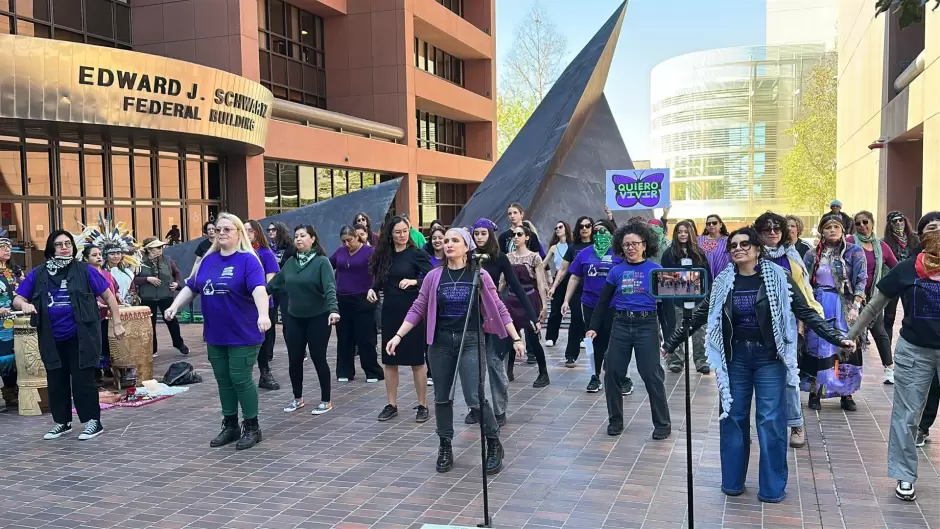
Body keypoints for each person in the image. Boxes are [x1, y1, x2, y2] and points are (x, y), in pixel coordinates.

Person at [662, 227, 853, 503]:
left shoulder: (779, 278)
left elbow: (806, 313)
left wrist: (837, 338)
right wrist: (670, 344)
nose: (739, 249)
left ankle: (772, 488)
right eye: (734, 245)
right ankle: (732, 483)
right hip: (735, 358)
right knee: (732, 418)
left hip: (769, 359)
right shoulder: (723, 282)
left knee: (770, 421)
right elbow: (699, 316)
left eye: (745, 244)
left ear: (757, 249)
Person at [387, 228, 526, 474]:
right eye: (446, 240)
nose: (448, 244)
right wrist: (398, 335)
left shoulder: (479, 275)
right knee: (442, 396)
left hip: (471, 340)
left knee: (474, 396)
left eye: (455, 240)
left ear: (467, 246)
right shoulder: (433, 276)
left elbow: (499, 308)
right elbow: (419, 307)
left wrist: (515, 337)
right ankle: (445, 444)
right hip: (439, 342)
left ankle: (493, 442)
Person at [845, 211, 940, 501]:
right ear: (921, 236)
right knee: (906, 416)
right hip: (915, 352)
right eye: (931, 229)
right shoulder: (907, 268)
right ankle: (904, 476)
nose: (936, 234)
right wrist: (849, 336)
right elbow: (874, 307)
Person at [164, 213, 271, 450]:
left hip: (243, 333)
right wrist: (174, 306)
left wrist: (263, 314)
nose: (221, 233)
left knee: (240, 379)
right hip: (216, 334)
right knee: (224, 380)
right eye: (218, 229)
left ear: (238, 233)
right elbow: (192, 287)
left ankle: (252, 427)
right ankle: (230, 424)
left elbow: (259, 290)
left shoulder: (248, 261)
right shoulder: (208, 261)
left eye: (227, 230)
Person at [14, 229, 125, 441]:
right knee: (56, 381)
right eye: (59, 244)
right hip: (51, 337)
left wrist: (117, 323)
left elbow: (109, 297)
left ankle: (93, 421)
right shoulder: (39, 273)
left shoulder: (85, 270)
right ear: (50, 248)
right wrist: (25, 304)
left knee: (83, 381)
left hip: (81, 336)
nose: (65, 247)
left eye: (68, 243)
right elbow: (18, 298)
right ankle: (62, 422)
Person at [587, 222, 670, 438]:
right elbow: (603, 302)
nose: (630, 248)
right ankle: (615, 420)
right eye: (626, 245)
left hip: (647, 325)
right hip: (621, 325)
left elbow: (666, 308)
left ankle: (662, 424)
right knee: (612, 371)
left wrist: (669, 339)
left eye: (635, 244)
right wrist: (593, 327)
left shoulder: (655, 270)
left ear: (645, 245)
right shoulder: (616, 271)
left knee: (651, 374)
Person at [754, 211, 820, 448]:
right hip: (754, 327)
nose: (772, 233)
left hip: (786, 325)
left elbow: (804, 293)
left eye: (776, 229)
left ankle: (796, 423)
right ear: (759, 233)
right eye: (766, 229)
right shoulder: (752, 255)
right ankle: (760, 426)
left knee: (790, 376)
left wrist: (811, 320)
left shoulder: (792, 257)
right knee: (757, 378)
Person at [469, 218, 538, 423]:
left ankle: (500, 410)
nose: (480, 237)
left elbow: (515, 286)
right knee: (474, 366)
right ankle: (476, 408)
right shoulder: (467, 257)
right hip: (472, 318)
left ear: (490, 234)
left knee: (494, 364)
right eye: (477, 233)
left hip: (494, 316)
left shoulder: (499, 258)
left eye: (484, 233)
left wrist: (532, 315)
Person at [368, 216, 433, 422]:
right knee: (390, 360)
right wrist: (372, 289)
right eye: (398, 232)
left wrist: (415, 281)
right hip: (390, 310)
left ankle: (422, 405)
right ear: (390, 234)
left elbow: (433, 276)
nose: (402, 235)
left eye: (405, 231)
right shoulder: (384, 255)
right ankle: (391, 404)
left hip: (412, 310)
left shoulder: (416, 254)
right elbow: (379, 278)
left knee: (416, 360)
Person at [269, 224, 339, 415]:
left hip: (318, 317)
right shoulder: (291, 263)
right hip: (294, 318)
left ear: (312, 239)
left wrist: (334, 310)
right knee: (294, 359)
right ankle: (297, 398)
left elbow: (330, 288)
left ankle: (326, 400)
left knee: (318, 357)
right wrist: (251, 297)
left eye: (303, 235)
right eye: (296, 236)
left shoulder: (322, 262)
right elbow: (273, 285)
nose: (298, 239)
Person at [802, 213, 867, 411]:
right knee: (816, 347)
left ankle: (846, 393)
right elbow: (804, 283)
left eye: (836, 227)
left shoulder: (854, 252)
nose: (832, 230)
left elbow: (862, 280)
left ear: (843, 230)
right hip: (819, 304)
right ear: (821, 230)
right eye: (828, 227)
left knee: (845, 346)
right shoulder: (812, 254)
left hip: (844, 305)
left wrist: (856, 305)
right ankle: (816, 391)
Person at [562, 219, 630, 393]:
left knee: (614, 341)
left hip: (614, 304)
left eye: (603, 231)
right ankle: (595, 376)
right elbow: (575, 277)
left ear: (611, 233)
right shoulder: (584, 254)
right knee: (594, 340)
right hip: (590, 304)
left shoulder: (619, 254)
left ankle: (620, 376)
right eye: (596, 231)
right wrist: (566, 300)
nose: (599, 234)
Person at [847, 211, 899, 384]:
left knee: (879, 331)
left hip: (873, 297)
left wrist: (889, 287)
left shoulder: (881, 246)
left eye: (865, 222)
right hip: (851, 296)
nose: (862, 226)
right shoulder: (849, 243)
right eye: (858, 223)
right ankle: (848, 372)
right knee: (851, 333)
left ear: (872, 223)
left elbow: (896, 267)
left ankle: (889, 368)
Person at [330, 225, 383, 383]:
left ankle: (372, 371)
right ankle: (344, 371)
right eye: (344, 241)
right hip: (342, 299)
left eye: (350, 240)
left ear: (357, 237)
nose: (347, 244)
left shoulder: (369, 252)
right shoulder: (340, 252)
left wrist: (374, 289)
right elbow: (327, 265)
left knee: (364, 337)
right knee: (344, 337)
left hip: (363, 299)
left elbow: (379, 272)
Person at [503, 223, 550, 387]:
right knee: (511, 336)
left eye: (519, 234)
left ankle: (543, 373)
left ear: (527, 237)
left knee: (533, 338)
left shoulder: (535, 258)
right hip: (511, 299)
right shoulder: (508, 257)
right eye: (514, 235)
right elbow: (502, 281)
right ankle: (508, 371)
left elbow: (541, 283)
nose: (515, 237)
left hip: (530, 298)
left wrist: (544, 306)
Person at [661, 220, 710, 374]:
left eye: (685, 231)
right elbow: (664, 278)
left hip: (697, 299)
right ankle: (675, 360)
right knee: (676, 328)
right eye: (680, 231)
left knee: (699, 331)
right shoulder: (668, 253)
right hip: (676, 300)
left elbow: (706, 276)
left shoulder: (699, 252)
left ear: (691, 233)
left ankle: (701, 360)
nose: (683, 234)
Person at [549, 216, 595, 364]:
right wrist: (554, 287)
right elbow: (562, 270)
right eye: (581, 226)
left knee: (593, 323)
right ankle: (571, 355)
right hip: (576, 290)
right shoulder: (573, 247)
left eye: (587, 226)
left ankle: (594, 355)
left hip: (595, 291)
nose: (584, 229)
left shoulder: (598, 245)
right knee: (576, 320)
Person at [134, 237, 190, 358]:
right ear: (149, 249)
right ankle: (152, 349)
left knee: (172, 321)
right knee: (150, 325)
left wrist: (176, 283)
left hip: (166, 295)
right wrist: (147, 279)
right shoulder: (139, 262)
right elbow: (133, 279)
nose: (161, 249)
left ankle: (179, 344)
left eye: (161, 247)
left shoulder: (167, 260)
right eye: (157, 247)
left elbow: (177, 273)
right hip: (147, 297)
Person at [245, 220, 281, 391]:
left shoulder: (265, 254)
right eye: (244, 231)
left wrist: (261, 298)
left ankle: (265, 373)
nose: (247, 234)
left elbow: (271, 282)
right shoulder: (238, 254)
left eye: (250, 230)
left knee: (264, 340)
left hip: (263, 304)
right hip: (242, 305)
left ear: (257, 232)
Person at [81, 245, 119, 380]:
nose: (98, 257)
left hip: (108, 315)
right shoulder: (84, 274)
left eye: (99, 255)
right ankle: (96, 370)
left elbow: (114, 290)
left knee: (108, 343)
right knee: (97, 343)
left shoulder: (107, 274)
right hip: (93, 315)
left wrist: (118, 298)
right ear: (86, 258)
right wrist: (96, 303)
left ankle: (108, 366)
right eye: (94, 255)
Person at [883, 210, 920, 344]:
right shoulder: (885, 242)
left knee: (911, 315)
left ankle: (911, 345)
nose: (898, 223)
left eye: (901, 220)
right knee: (888, 318)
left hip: (911, 282)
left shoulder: (915, 239)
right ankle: (887, 355)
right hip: (894, 282)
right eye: (894, 221)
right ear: (889, 224)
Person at [543, 221, 571, 347]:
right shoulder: (554, 247)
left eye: (560, 227)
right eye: (556, 228)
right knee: (555, 309)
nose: (557, 229)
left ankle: (581, 336)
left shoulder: (573, 245)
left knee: (577, 309)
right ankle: (551, 337)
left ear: (566, 228)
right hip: (558, 278)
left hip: (573, 277)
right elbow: (543, 263)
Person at [0, 233, 20, 412]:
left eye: (8, 246)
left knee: (13, 357)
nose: (7, 250)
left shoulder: (15, 271)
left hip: (15, 321)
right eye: (2, 246)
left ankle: (12, 392)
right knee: (3, 357)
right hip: (1, 323)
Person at [699, 214, 731, 279]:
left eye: (714, 223)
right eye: (708, 223)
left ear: (721, 225)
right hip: (702, 276)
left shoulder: (728, 240)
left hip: (723, 276)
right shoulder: (698, 240)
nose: (711, 225)